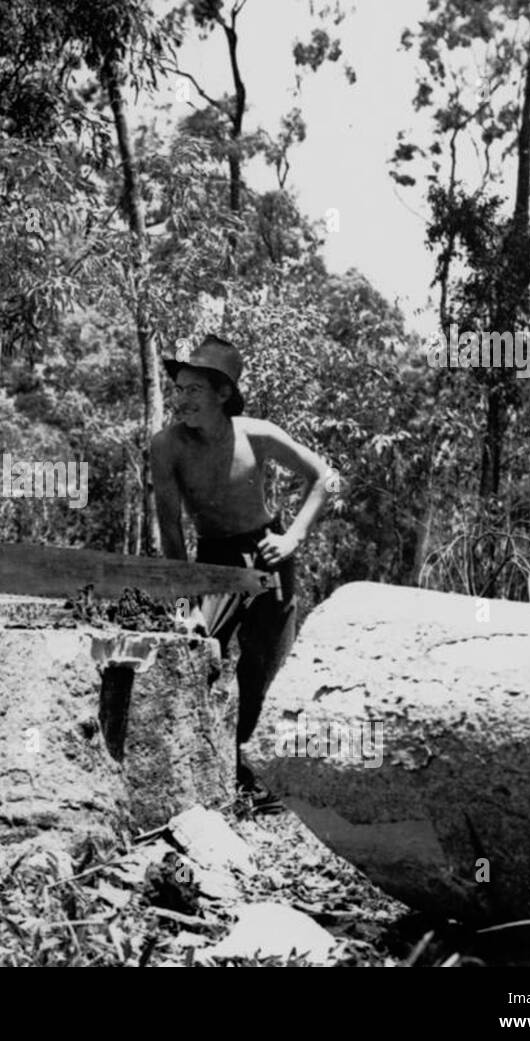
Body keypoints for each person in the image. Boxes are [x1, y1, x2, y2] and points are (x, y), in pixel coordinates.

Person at [150, 335, 332, 815]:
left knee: (262, 674)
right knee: (192, 656)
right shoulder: (166, 446)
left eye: (194, 390)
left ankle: (257, 785)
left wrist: (292, 538)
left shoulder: (257, 434)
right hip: (214, 562)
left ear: (223, 393)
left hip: (269, 558)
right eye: (178, 388)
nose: (181, 399)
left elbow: (325, 477)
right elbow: (171, 530)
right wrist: (184, 600)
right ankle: (188, 780)